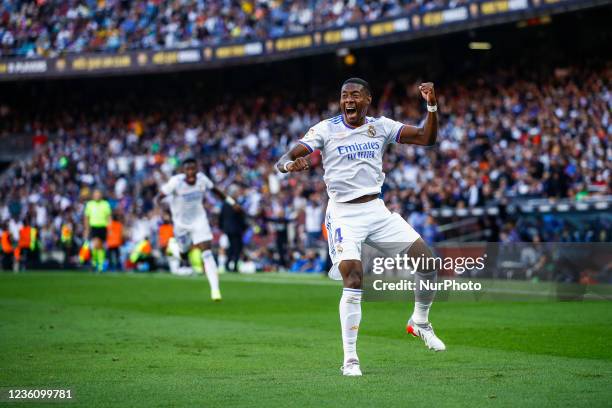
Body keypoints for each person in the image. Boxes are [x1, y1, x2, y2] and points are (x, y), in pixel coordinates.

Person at [275, 78, 445, 376]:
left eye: (355, 95)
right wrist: (290, 165)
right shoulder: (325, 129)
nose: (348, 100)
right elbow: (286, 157)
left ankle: (419, 322)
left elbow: (426, 137)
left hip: (376, 210)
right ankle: (350, 359)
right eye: (344, 95)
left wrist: (431, 105)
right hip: (343, 213)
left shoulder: (380, 126)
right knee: (353, 277)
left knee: (427, 262)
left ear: (368, 99)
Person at [155, 157, 241, 301]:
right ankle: (174, 248)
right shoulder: (175, 182)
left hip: (199, 220)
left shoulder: (202, 179)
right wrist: (164, 212)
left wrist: (232, 202)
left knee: (206, 252)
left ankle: (215, 290)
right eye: (187, 169)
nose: (190, 172)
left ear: (197, 169)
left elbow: (216, 191)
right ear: (183, 170)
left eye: (193, 169)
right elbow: (158, 197)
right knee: (184, 253)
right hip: (181, 224)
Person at [219, 185, 248, 273]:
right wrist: (244, 227)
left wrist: (223, 227)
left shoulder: (225, 203)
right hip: (235, 229)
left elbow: (221, 217)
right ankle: (233, 265)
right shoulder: (234, 203)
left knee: (232, 247)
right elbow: (240, 216)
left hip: (229, 229)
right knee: (236, 247)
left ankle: (228, 264)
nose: (238, 194)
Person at [83, 189, 112, 272]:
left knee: (101, 246)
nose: (97, 196)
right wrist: (86, 228)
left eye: (98, 194)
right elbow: (86, 217)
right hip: (94, 226)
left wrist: (110, 228)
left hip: (103, 227)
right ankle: (96, 263)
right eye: (96, 194)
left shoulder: (105, 204)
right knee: (96, 244)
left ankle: (100, 264)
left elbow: (109, 217)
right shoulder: (90, 204)